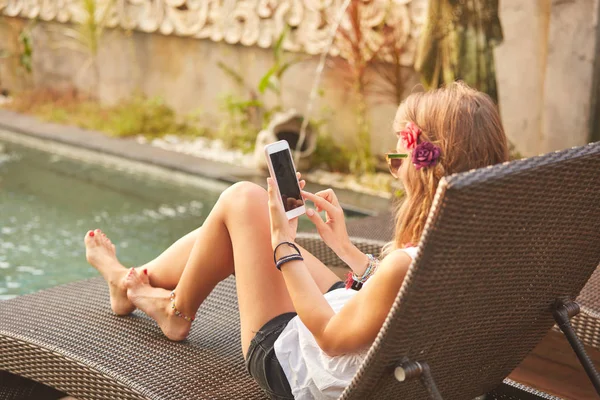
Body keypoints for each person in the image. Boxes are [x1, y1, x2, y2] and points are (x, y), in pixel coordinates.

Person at [83, 82, 508, 399]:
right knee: (246, 213)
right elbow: (401, 298)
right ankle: (133, 285)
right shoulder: (489, 243)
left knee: (242, 201)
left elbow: (327, 336)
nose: (393, 171)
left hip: (306, 369)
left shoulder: (404, 266)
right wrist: (345, 249)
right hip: (374, 349)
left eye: (397, 159)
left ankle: (172, 308)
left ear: (424, 168)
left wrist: (283, 244)